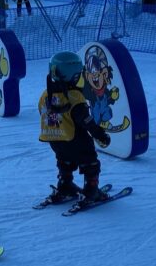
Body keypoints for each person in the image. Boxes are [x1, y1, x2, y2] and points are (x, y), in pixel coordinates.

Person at [38, 52, 111, 204]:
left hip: (55, 139)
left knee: (65, 159)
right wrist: (100, 134)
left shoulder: (45, 95)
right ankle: (91, 190)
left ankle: (65, 185)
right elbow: (86, 121)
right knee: (89, 160)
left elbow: (42, 113)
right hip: (75, 139)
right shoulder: (75, 97)